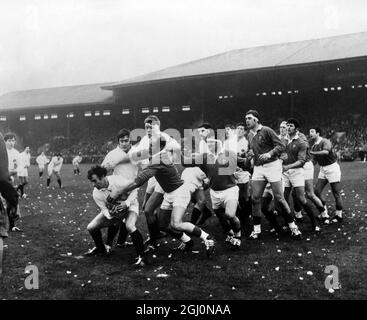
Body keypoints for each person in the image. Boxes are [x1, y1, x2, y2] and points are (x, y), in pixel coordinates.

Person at [108, 134, 216, 257]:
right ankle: (187, 241)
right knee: (163, 225)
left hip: (180, 192)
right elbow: (135, 158)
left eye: (152, 145)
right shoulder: (157, 156)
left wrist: (119, 191)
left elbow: (139, 180)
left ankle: (207, 237)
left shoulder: (159, 159)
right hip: (169, 192)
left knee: (176, 223)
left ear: (161, 146)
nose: (149, 147)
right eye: (149, 144)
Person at [245, 110, 302, 240]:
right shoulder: (249, 135)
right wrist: (250, 154)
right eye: (246, 118)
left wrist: (269, 154)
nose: (246, 120)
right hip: (259, 168)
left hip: (272, 166)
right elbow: (253, 149)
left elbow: (281, 146)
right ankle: (257, 230)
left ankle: (293, 227)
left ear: (256, 120)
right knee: (255, 198)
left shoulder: (266, 130)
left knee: (279, 198)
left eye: (249, 118)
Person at [85, 166, 146, 267]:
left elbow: (134, 189)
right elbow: (104, 209)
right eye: (92, 181)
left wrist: (126, 203)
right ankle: (102, 249)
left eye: (95, 181)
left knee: (129, 226)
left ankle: (142, 257)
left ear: (103, 176)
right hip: (115, 212)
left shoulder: (117, 180)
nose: (93, 185)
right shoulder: (96, 193)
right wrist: (111, 214)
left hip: (130, 206)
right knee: (91, 227)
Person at [101, 129, 139, 249]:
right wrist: (105, 168)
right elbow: (102, 169)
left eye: (126, 140)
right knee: (116, 216)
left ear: (130, 140)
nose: (124, 143)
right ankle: (108, 244)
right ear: (118, 141)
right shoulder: (112, 153)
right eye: (121, 141)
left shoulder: (137, 152)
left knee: (128, 217)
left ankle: (121, 242)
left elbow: (146, 166)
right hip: (117, 190)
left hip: (132, 188)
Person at [282, 119, 320, 233]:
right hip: (285, 173)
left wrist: (288, 166)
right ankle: (288, 223)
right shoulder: (283, 140)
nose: (288, 128)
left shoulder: (301, 142)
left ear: (296, 128)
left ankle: (314, 223)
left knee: (301, 199)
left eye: (291, 126)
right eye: (287, 125)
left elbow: (302, 160)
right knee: (283, 198)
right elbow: (281, 153)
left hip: (297, 171)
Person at [310, 127, 343, 223]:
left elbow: (326, 152)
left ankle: (339, 215)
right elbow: (314, 161)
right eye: (310, 132)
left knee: (336, 192)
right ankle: (324, 212)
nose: (310, 133)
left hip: (332, 168)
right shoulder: (313, 146)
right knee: (317, 191)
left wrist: (312, 153)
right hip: (323, 169)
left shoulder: (325, 141)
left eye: (312, 132)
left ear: (318, 133)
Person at [0, 132, 19, 238]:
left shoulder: (16, 153)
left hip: (6, 178)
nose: (12, 143)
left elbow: (15, 168)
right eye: (9, 140)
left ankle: (12, 223)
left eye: (13, 140)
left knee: (11, 201)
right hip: (4, 179)